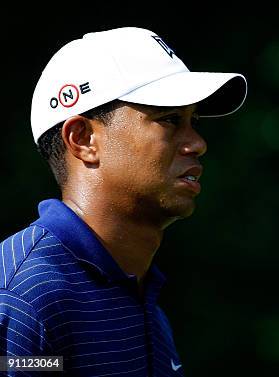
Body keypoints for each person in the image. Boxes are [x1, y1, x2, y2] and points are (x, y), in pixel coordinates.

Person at [0, 27, 247, 375]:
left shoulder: (141, 293)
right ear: (84, 139)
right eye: (170, 120)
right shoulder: (22, 297)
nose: (197, 143)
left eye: (194, 121)